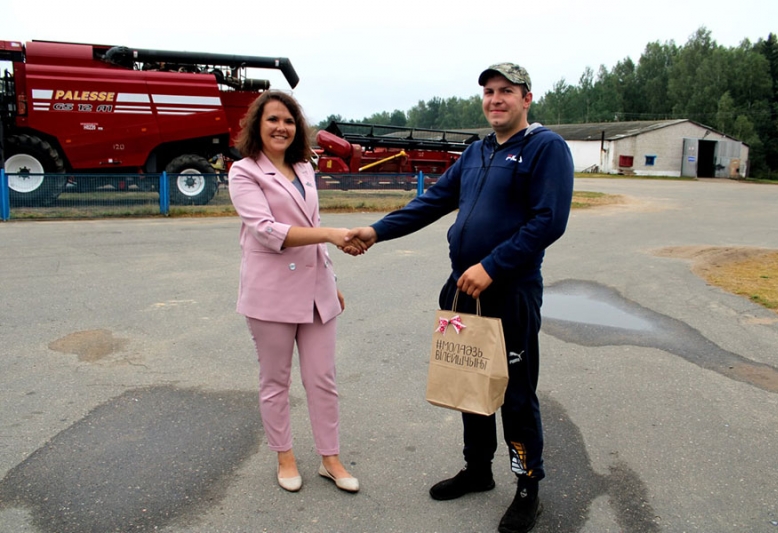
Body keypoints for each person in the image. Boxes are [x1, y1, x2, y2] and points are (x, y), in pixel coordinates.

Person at [344, 63, 573, 532]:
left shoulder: (545, 148)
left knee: (514, 392)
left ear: (526, 98)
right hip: (462, 288)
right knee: (469, 379)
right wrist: (375, 231)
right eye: (488, 92)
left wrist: (493, 266)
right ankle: (477, 470)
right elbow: (431, 202)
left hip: (510, 290)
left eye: (506, 91)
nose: (495, 99)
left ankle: (527, 487)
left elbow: (549, 220)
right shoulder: (475, 152)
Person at [229, 90, 365, 494]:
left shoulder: (305, 167)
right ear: (258, 125)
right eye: (272, 119)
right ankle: (284, 456)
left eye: (288, 121)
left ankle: (330, 458)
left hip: (317, 289)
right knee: (276, 381)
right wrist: (331, 234)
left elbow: (314, 225)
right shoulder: (244, 172)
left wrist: (332, 280)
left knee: (322, 378)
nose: (281, 127)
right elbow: (267, 231)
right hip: (270, 294)